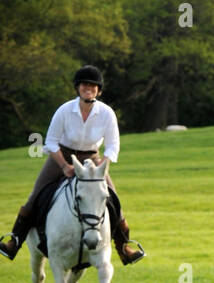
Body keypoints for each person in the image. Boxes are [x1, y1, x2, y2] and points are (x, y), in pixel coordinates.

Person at [0, 65, 145, 264]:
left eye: (94, 86)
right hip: (62, 155)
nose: (89, 88)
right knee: (36, 195)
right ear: (78, 87)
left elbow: (113, 145)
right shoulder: (65, 110)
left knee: (113, 198)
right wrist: (63, 166)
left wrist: (103, 165)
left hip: (93, 158)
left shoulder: (107, 113)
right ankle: (14, 241)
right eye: (85, 84)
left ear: (99, 90)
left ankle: (124, 248)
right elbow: (51, 142)